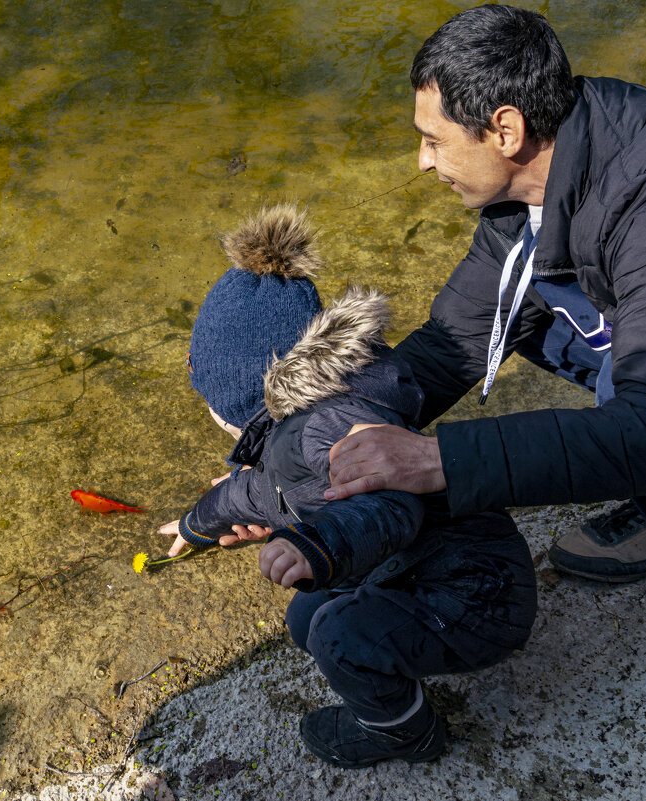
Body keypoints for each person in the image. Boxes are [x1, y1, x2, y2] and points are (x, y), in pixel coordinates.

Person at [326, 4, 646, 582]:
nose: (423, 161)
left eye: (433, 140)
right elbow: (455, 340)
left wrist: (438, 460)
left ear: (505, 131)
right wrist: (295, 454)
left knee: (633, 381)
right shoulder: (556, 161)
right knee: (529, 306)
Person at [157, 203, 536, 768]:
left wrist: (315, 544)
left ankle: (404, 734)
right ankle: (391, 663)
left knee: (336, 634)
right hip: (415, 569)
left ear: (245, 393)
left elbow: (390, 507)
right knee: (305, 621)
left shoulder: (330, 427)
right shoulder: (294, 431)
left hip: (477, 595)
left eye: (208, 397)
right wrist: (195, 525)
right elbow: (246, 495)